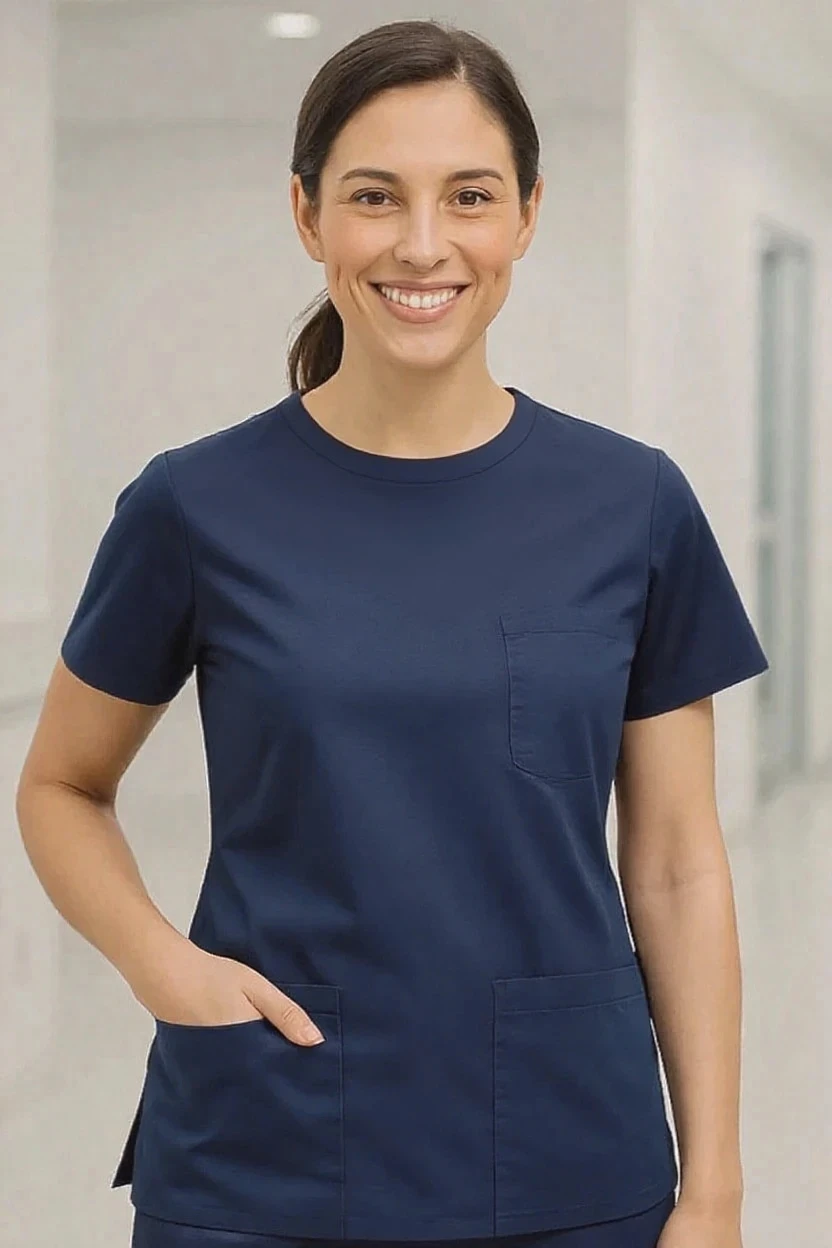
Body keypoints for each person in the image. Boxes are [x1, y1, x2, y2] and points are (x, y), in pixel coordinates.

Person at [15, 18, 768, 1248]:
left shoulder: (632, 505)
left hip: (567, 1154)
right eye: (376, 197)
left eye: (468, 196)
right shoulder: (195, 506)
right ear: (308, 217)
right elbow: (59, 784)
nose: (424, 244)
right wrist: (162, 965)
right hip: (265, 1155)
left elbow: (678, 864)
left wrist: (717, 1186)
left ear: (526, 214)